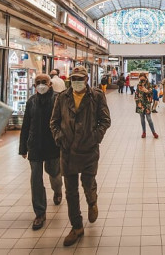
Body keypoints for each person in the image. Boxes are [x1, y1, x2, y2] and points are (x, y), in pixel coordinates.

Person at [50, 66, 112, 247]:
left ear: (86, 79)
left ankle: (92, 202)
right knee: (70, 192)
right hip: (67, 151)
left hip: (88, 150)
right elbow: (54, 122)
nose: (77, 82)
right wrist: (59, 138)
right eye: (74, 78)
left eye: (80, 78)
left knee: (88, 183)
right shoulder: (62, 97)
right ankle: (76, 226)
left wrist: (94, 137)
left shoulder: (97, 96)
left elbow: (105, 120)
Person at [19, 73, 63, 231]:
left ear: (50, 84)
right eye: (38, 82)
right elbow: (26, 125)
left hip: (53, 145)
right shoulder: (31, 102)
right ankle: (40, 212)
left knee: (54, 172)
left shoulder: (58, 99)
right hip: (35, 145)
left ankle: (58, 190)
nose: (41, 84)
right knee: (35, 179)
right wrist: (23, 147)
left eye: (44, 82)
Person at [135, 74, 158, 139]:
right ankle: (144, 132)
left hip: (147, 103)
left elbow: (151, 93)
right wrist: (136, 101)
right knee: (142, 119)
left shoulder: (149, 84)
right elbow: (137, 93)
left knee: (149, 119)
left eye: (143, 79)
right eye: (140, 79)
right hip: (140, 103)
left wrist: (147, 91)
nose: (142, 80)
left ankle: (153, 132)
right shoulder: (138, 85)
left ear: (146, 78)